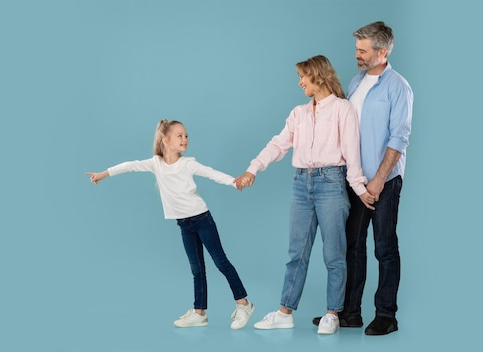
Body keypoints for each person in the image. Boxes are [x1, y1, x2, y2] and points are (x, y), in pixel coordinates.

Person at [235, 55, 375, 335]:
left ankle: (332, 313)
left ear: (318, 76)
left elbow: (351, 153)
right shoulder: (298, 113)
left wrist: (359, 188)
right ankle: (285, 311)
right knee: (296, 253)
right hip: (301, 183)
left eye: (303, 77)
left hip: (332, 183)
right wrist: (253, 169)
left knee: (334, 253)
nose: (299, 82)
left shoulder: (342, 109)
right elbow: (278, 144)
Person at [85, 119, 254, 330]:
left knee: (220, 262)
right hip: (184, 224)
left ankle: (243, 304)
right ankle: (199, 312)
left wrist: (234, 181)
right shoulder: (155, 163)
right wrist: (103, 174)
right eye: (179, 136)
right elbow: (130, 165)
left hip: (202, 219)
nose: (185, 139)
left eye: (186, 136)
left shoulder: (188, 163)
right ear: (165, 140)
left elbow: (211, 173)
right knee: (196, 269)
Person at [312, 21, 413, 336]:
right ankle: (350, 313)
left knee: (384, 247)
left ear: (381, 53)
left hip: (384, 181)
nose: (356, 54)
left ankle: (386, 315)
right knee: (351, 246)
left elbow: (399, 138)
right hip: (352, 181)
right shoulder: (356, 83)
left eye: (362, 50)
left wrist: (379, 180)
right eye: (356, 49)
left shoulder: (398, 87)